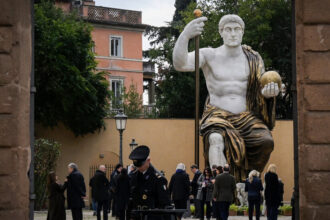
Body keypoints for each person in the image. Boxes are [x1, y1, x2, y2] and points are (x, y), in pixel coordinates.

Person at [173, 14, 280, 180]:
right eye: (228, 30)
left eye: (237, 29)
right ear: (221, 32)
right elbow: (180, 64)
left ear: (242, 32)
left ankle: (247, 181)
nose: (233, 33)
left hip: (247, 118)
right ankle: (223, 186)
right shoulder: (210, 55)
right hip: (217, 117)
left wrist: (268, 94)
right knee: (215, 140)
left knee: (266, 142)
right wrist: (186, 34)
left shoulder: (254, 58)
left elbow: (259, 91)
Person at [128, 145, 171, 220]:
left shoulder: (158, 179)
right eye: (137, 166)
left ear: (148, 161)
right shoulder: (133, 177)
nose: (139, 168)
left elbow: (165, 205)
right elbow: (131, 201)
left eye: (140, 165)